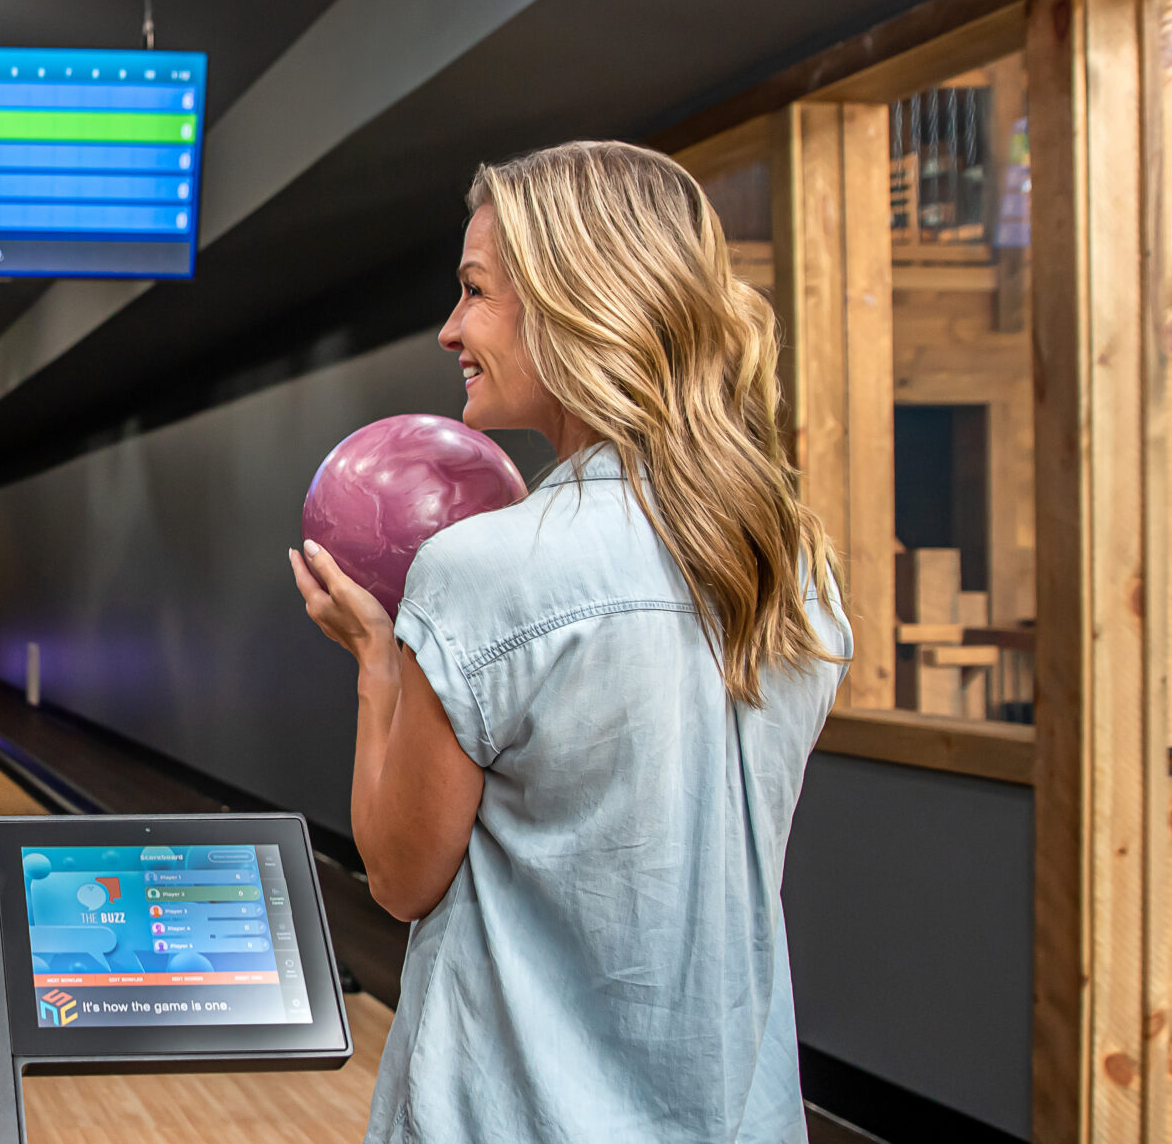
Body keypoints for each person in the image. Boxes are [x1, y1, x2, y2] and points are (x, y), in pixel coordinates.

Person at [286, 140, 848, 1142]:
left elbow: (403, 875)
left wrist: (379, 662)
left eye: (474, 292)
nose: (450, 327)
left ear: (572, 298)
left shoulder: (481, 569)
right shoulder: (783, 561)